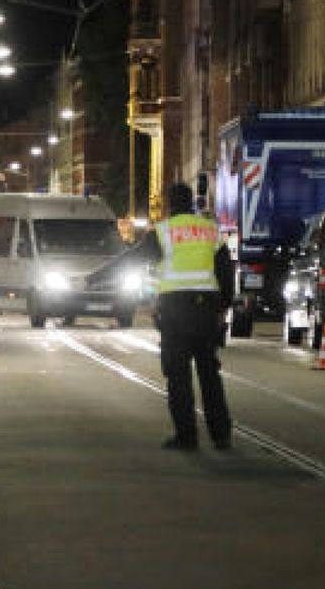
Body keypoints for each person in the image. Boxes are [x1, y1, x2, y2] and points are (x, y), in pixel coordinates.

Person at [135, 182, 235, 451]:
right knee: (209, 375)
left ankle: (187, 436)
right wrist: (223, 305)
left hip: (175, 312)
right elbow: (226, 271)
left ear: (169, 203)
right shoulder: (211, 231)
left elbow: (130, 258)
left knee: (178, 376)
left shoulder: (162, 232)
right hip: (205, 311)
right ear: (192, 202)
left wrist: (90, 279)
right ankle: (221, 434)